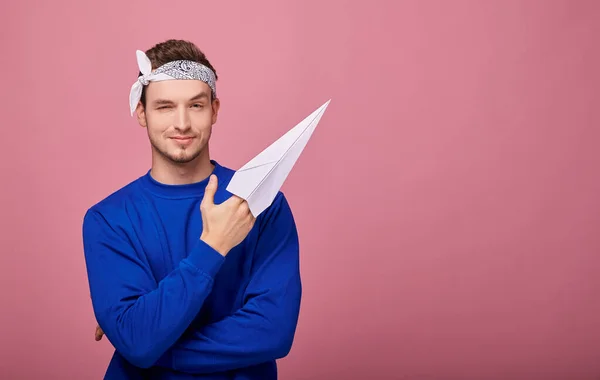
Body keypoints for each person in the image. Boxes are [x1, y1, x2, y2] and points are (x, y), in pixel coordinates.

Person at [81, 39, 302, 379]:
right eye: (165, 107)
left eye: (196, 106)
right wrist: (213, 248)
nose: (181, 123)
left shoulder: (259, 202)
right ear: (142, 113)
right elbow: (137, 340)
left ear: (214, 110)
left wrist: (149, 345)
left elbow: (273, 330)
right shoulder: (108, 220)